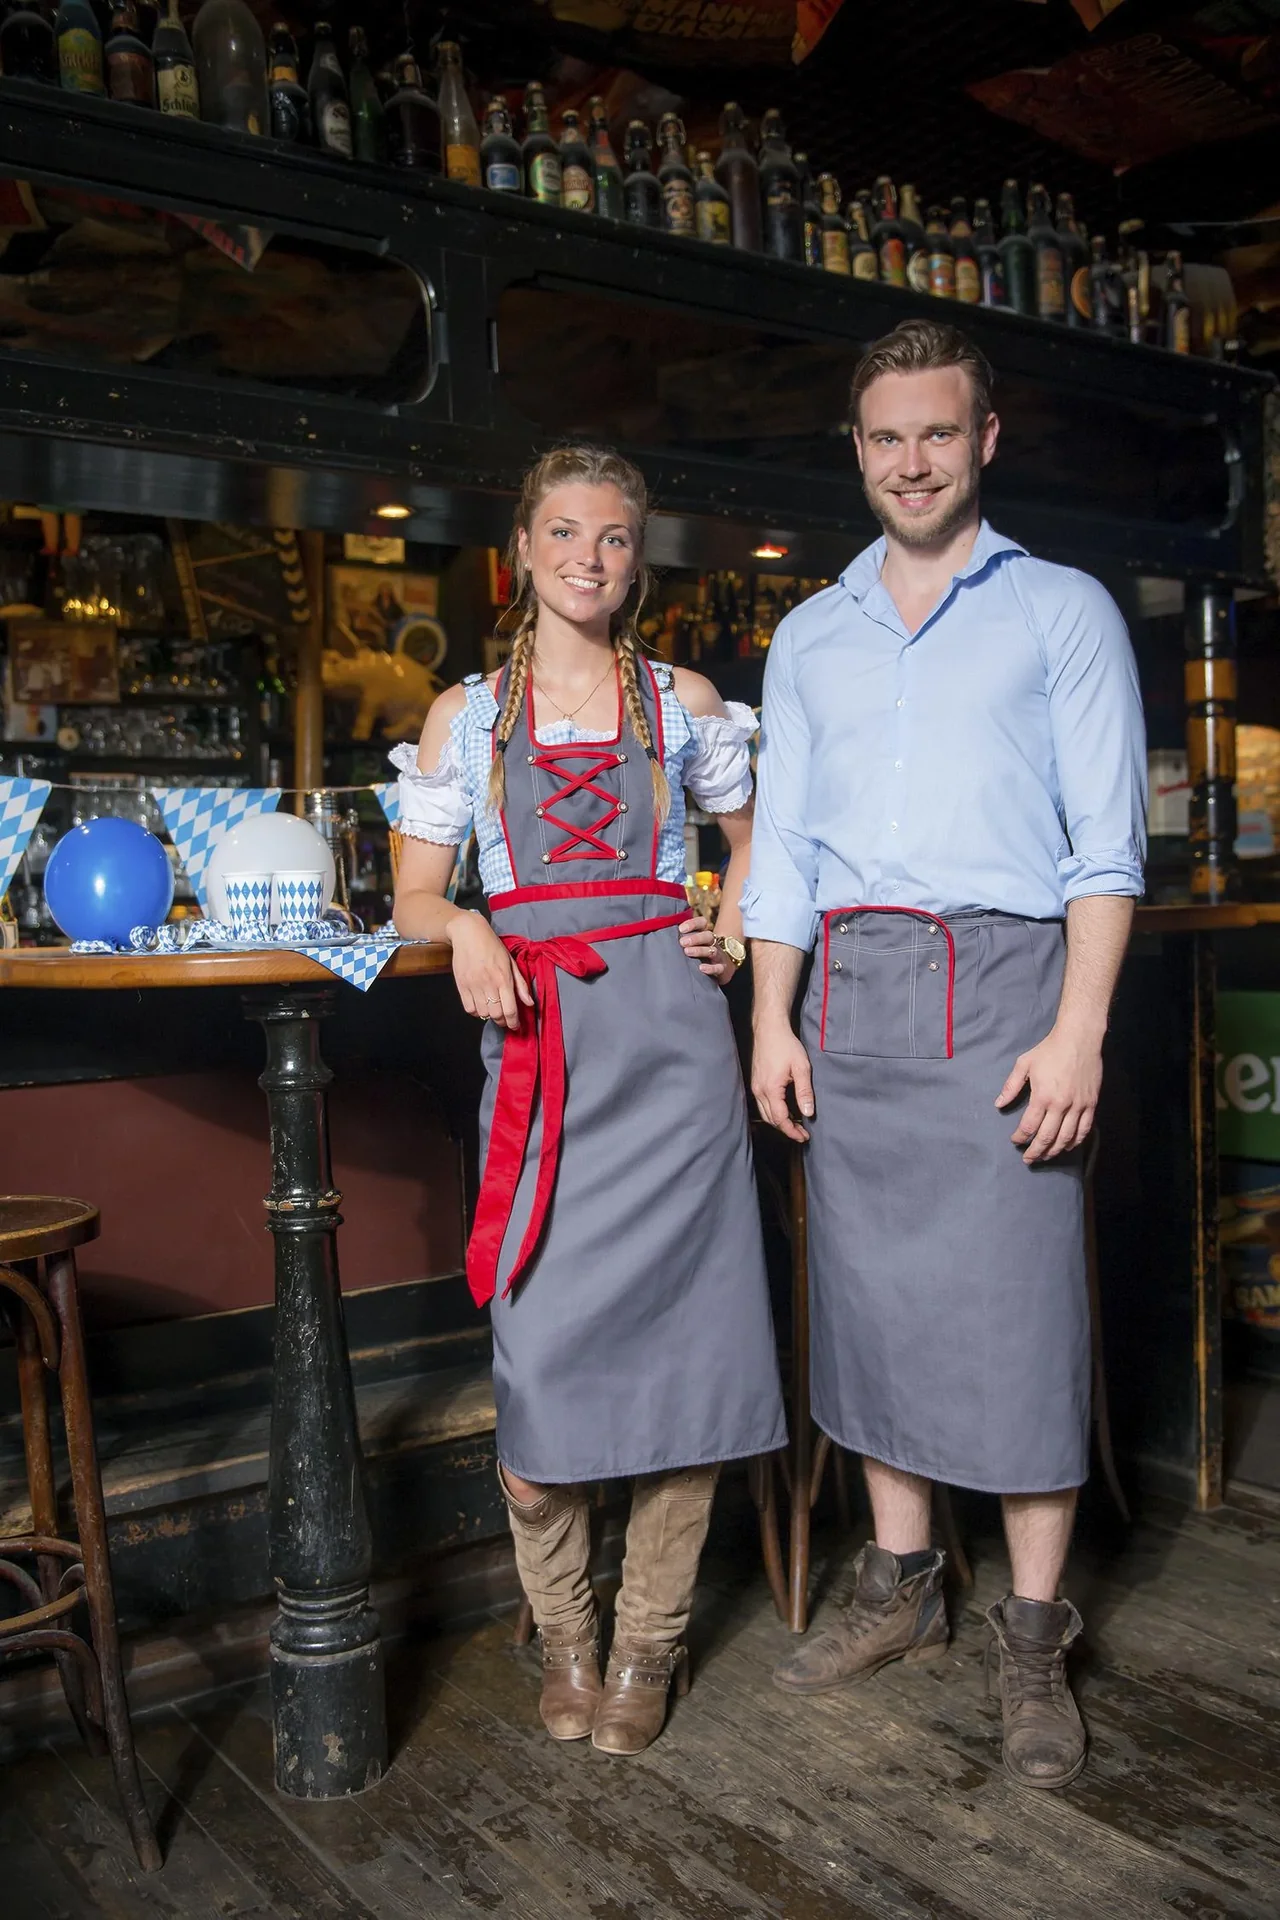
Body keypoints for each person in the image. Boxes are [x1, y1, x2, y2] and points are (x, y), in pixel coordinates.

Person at [743, 319, 1146, 1791]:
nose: (910, 461)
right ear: (856, 451)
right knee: (869, 1305)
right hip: (849, 995)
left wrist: (1079, 1030)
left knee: (1020, 1320)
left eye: (936, 433)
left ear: (984, 440)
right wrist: (770, 1017)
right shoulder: (809, 634)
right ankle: (903, 1585)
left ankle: (1033, 1636)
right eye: (884, 437)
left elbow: (1106, 848)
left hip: (1009, 992)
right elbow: (783, 852)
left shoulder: (1063, 610)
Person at [392, 444, 786, 1756]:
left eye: (613, 537)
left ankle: (647, 1644)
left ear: (637, 561)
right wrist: (464, 923)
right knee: (541, 1370)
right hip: (544, 1055)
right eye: (564, 532)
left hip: (675, 1056)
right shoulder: (466, 717)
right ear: (522, 550)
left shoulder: (685, 703)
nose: (589, 557)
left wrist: (732, 923)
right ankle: (564, 1630)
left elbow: (756, 846)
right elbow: (410, 893)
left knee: (694, 1363)